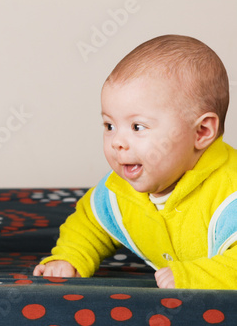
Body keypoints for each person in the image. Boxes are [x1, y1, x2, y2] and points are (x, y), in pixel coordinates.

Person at [33, 35, 237, 289]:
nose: (117, 141)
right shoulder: (120, 189)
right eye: (110, 125)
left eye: (137, 127)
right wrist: (71, 256)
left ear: (201, 132)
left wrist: (193, 276)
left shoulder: (230, 194)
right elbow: (90, 222)